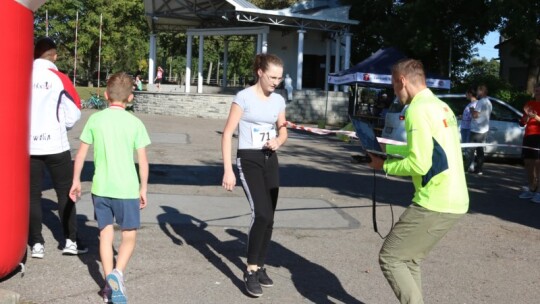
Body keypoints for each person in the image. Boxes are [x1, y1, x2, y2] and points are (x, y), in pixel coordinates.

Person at [368, 59, 469, 304]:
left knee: (390, 258)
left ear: (402, 80)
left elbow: (419, 165)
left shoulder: (416, 109)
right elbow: (432, 152)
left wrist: (385, 165)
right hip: (455, 198)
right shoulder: (441, 106)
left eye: (393, 86)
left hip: (434, 201)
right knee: (409, 259)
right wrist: (390, 150)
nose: (394, 92)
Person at [69, 72, 151, 303]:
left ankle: (108, 286)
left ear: (106, 95)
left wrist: (76, 180)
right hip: (126, 188)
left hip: (101, 187)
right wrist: (143, 187)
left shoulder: (95, 120)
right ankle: (118, 274)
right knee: (129, 235)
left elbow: (81, 154)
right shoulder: (135, 123)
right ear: (131, 98)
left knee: (104, 236)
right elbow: (143, 161)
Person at [221, 53, 288, 297]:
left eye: (279, 78)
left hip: (270, 159)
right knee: (260, 213)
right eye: (272, 77)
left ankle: (260, 265)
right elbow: (227, 133)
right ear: (259, 72)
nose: (276, 82)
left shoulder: (278, 100)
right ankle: (249, 270)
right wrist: (228, 169)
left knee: (269, 217)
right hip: (248, 160)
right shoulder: (244, 97)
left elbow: (283, 129)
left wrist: (279, 140)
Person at [29, 37, 87, 259]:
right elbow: (75, 111)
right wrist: (60, 125)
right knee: (65, 191)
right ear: (53, 55)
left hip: (29, 144)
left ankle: (36, 243)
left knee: (32, 195)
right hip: (55, 143)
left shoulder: (22, 75)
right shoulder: (59, 77)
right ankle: (70, 240)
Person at [518, 84, 540, 202]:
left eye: (539, 91)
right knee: (528, 163)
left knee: (538, 164)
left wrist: (535, 116)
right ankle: (532, 188)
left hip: (539, 137)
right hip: (528, 136)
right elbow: (522, 123)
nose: (537, 93)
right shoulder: (529, 103)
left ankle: (539, 192)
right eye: (536, 91)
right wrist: (526, 116)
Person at [465, 84, 492, 174]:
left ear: (482, 91)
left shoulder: (480, 102)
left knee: (470, 150)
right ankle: (479, 169)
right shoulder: (489, 102)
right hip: (484, 129)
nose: (476, 93)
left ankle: (467, 168)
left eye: (478, 91)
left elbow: (475, 115)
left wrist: (472, 109)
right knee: (480, 150)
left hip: (476, 129)